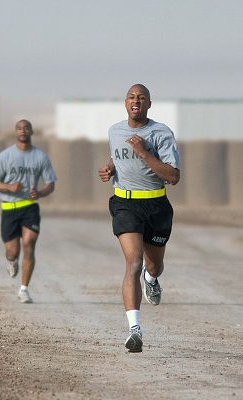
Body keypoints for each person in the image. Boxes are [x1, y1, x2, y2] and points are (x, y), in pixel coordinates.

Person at [98, 84, 180, 353]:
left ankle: (152, 278)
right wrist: (110, 167)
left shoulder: (161, 133)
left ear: (149, 104)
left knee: (153, 266)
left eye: (141, 98)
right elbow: (117, 155)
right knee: (133, 261)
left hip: (156, 205)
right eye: (132, 97)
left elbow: (173, 176)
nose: (136, 101)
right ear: (125, 103)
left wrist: (145, 153)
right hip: (125, 204)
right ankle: (134, 330)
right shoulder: (115, 131)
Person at [0, 119, 57, 304]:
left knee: (29, 244)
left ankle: (24, 289)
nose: (23, 130)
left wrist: (40, 192)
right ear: (15, 132)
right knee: (12, 251)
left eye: (26, 127)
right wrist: (9, 188)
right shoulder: (5, 156)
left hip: (30, 207)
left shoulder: (40, 156)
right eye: (19, 128)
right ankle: (11, 261)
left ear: (31, 131)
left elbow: (50, 184)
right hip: (9, 208)